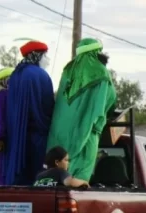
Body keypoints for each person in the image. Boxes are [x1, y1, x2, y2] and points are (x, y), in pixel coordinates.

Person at [48, 38, 117, 181]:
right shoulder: (100, 72)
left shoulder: (68, 71)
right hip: (86, 136)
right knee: (80, 178)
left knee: (59, 180)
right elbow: (108, 101)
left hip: (59, 137)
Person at [3, 40, 55, 185]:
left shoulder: (15, 75)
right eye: (45, 56)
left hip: (16, 136)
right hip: (37, 137)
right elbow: (47, 107)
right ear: (37, 56)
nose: (48, 60)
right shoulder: (41, 75)